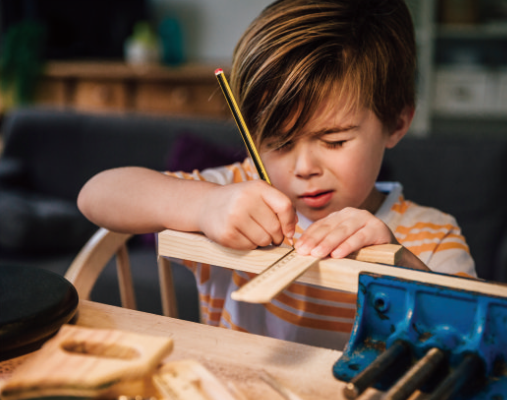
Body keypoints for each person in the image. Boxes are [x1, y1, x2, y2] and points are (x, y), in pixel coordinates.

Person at [78, 0, 476, 349]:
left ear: (397, 122)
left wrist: (399, 263)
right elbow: (96, 194)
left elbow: (475, 342)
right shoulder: (238, 194)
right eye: (280, 143)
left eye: (334, 141)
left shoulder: (433, 237)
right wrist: (204, 206)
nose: (304, 168)